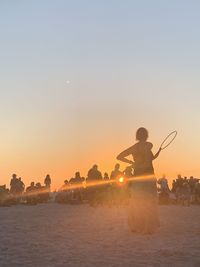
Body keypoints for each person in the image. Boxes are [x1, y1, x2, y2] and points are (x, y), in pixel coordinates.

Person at [117, 127, 161, 234]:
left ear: (137, 135)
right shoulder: (149, 145)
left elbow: (119, 156)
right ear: (146, 135)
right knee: (149, 201)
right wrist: (157, 153)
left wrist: (131, 162)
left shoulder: (134, 148)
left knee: (137, 201)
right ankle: (148, 227)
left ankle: (136, 226)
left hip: (138, 176)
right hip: (149, 175)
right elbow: (150, 158)